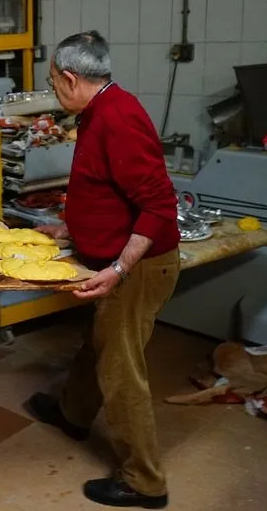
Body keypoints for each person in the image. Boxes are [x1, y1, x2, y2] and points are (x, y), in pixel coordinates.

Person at [28, 31, 180, 509]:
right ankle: (73, 413)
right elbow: (108, 191)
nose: (54, 91)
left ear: (71, 78)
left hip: (140, 266)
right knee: (98, 344)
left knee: (121, 370)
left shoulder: (118, 118)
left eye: (53, 83)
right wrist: (70, 228)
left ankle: (145, 481)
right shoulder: (97, 111)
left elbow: (159, 206)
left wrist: (118, 267)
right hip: (117, 257)